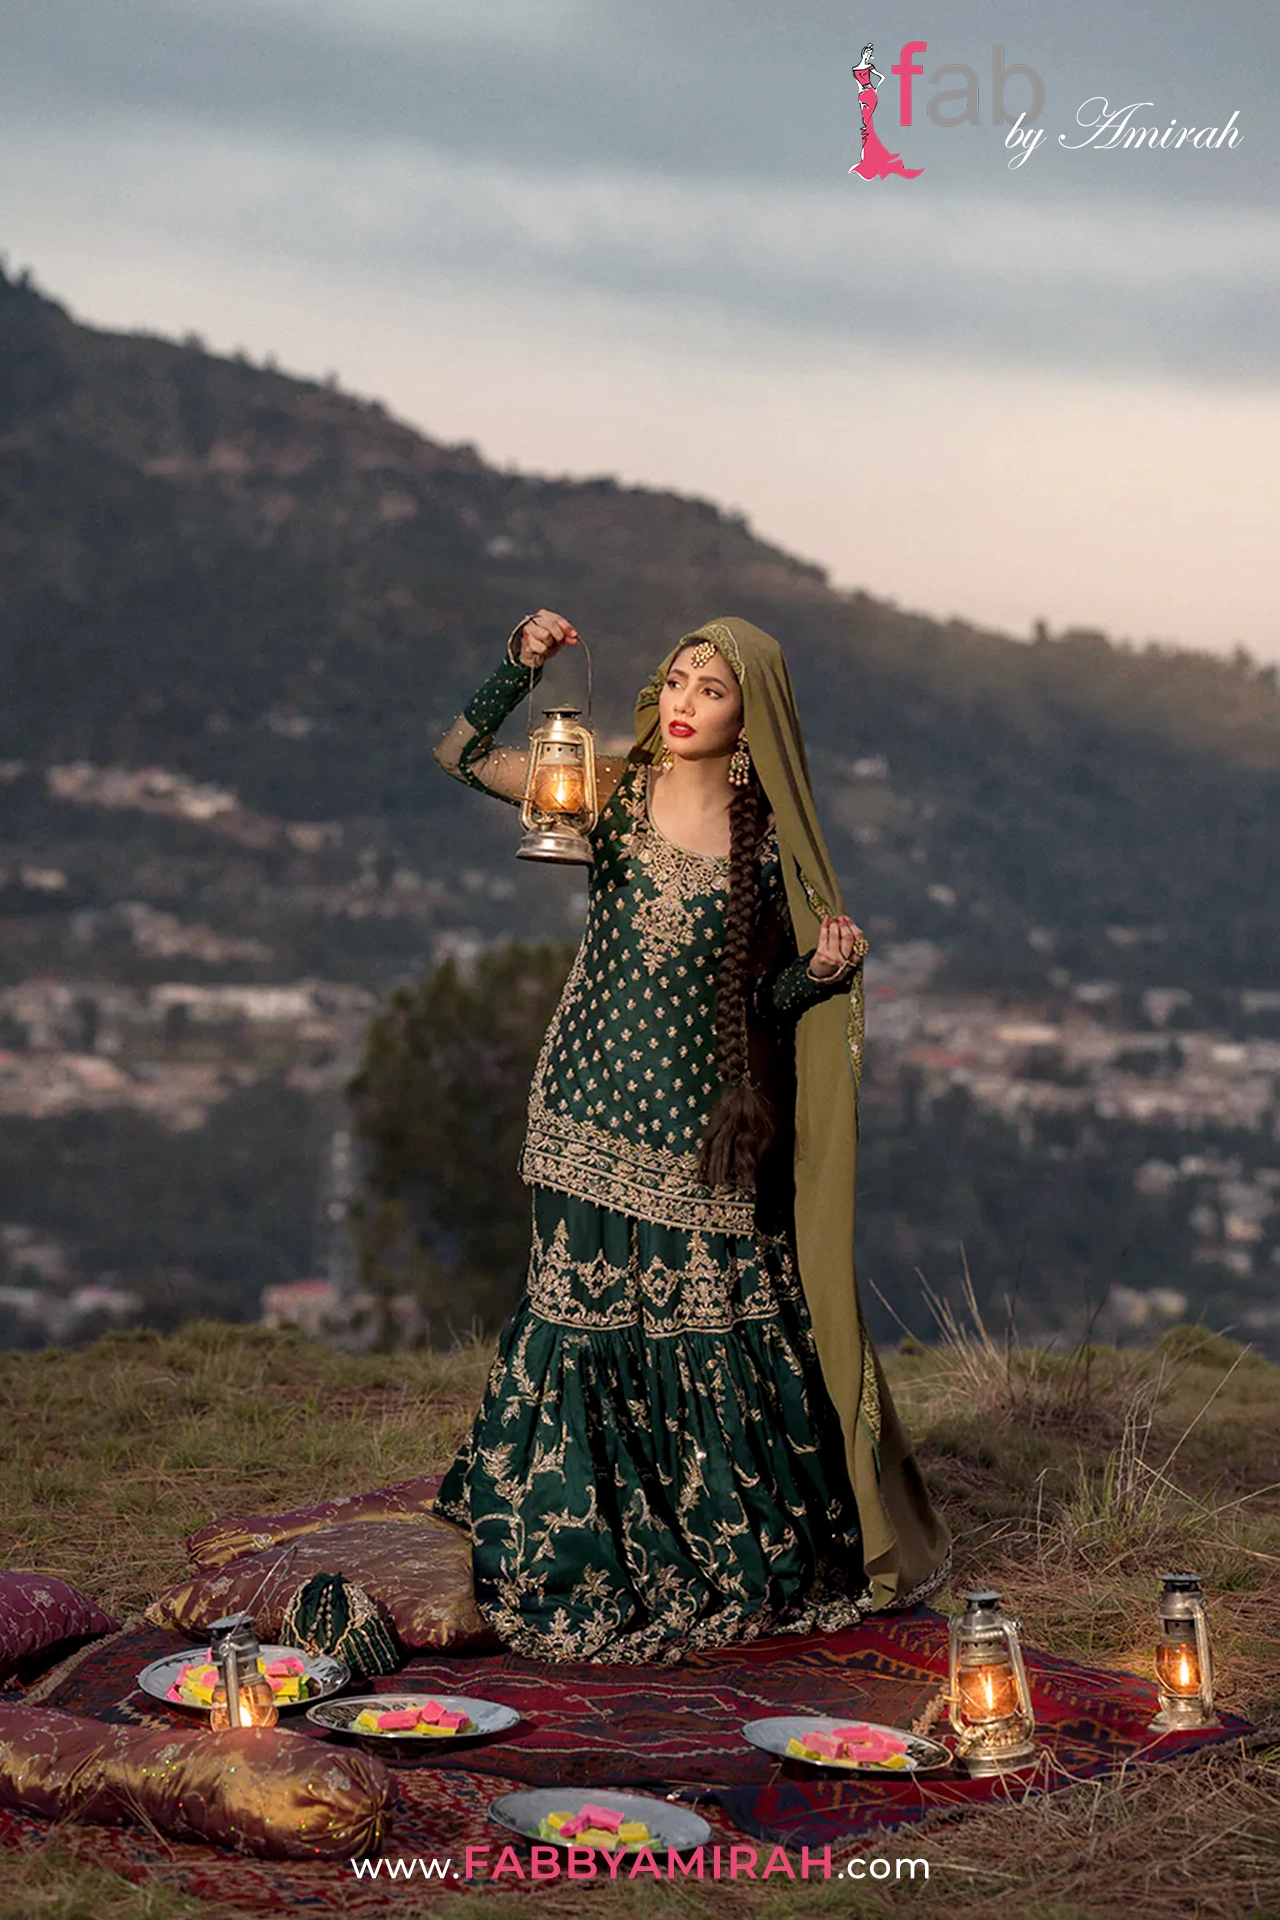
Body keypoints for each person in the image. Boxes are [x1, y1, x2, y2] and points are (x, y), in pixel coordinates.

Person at [432, 611, 948, 1662]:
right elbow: (459, 756)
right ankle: (573, 1532)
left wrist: (818, 977)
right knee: (579, 1325)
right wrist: (516, 668)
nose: (681, 702)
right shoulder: (606, 790)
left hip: (698, 1132)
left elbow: (756, 1001)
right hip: (581, 1109)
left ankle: (707, 1535)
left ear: (750, 717)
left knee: (710, 1327)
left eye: (709, 690)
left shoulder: (769, 855)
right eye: (676, 680)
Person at [851, 43, 924, 182]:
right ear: (863, 53)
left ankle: (870, 158)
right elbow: (859, 84)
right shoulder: (856, 69)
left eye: (869, 54)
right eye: (867, 53)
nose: (868, 56)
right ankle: (870, 158)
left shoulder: (869, 68)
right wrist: (862, 94)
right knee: (866, 125)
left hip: (869, 94)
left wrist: (874, 89)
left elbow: (881, 77)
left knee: (868, 126)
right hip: (863, 96)